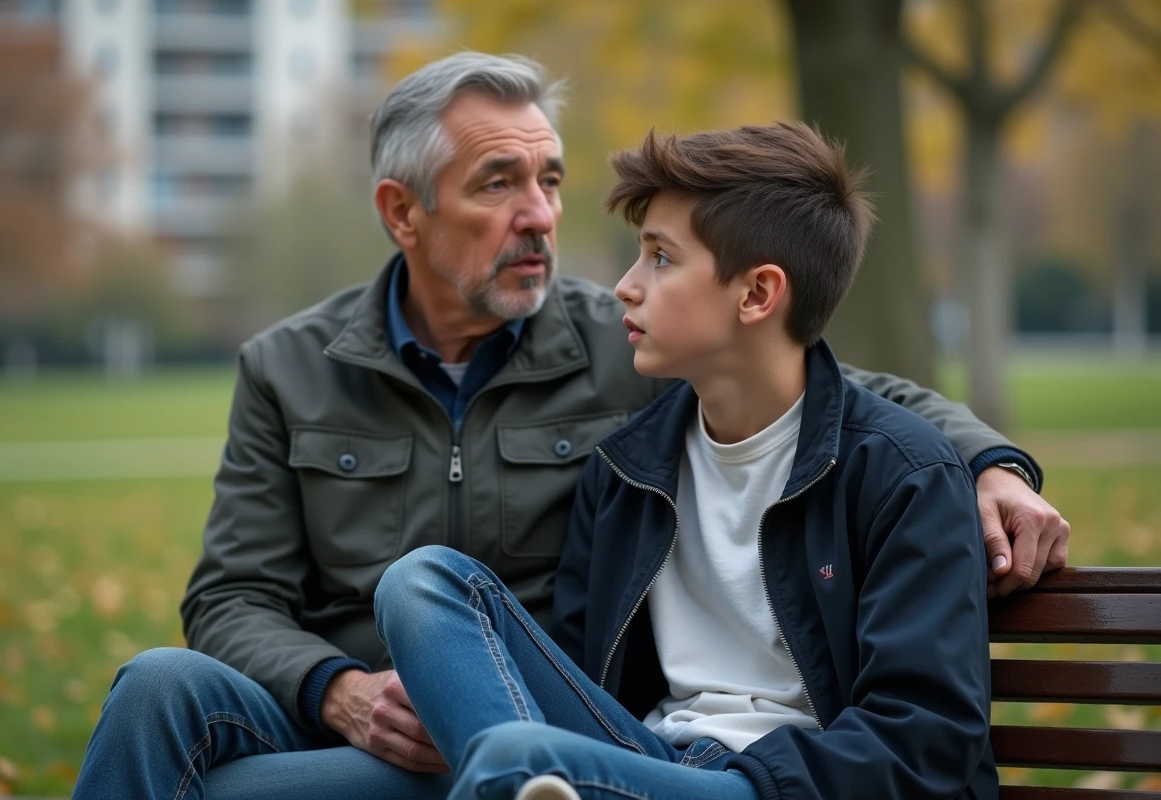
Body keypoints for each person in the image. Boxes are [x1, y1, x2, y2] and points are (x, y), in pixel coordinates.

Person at [71, 54, 1063, 800]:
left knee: (496, 726)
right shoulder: (287, 366)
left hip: (548, 729)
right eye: (499, 183)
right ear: (402, 213)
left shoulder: (625, 347)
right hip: (362, 720)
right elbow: (232, 595)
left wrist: (992, 463)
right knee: (161, 686)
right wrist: (336, 689)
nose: (541, 214)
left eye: (549, 179)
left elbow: (822, 384)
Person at [374, 121, 997, 800]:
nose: (625, 286)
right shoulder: (624, 471)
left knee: (513, 759)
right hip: (645, 762)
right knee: (422, 586)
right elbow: (586, 691)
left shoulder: (903, 475)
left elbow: (923, 740)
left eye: (660, 258)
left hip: (781, 788)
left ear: (757, 294)